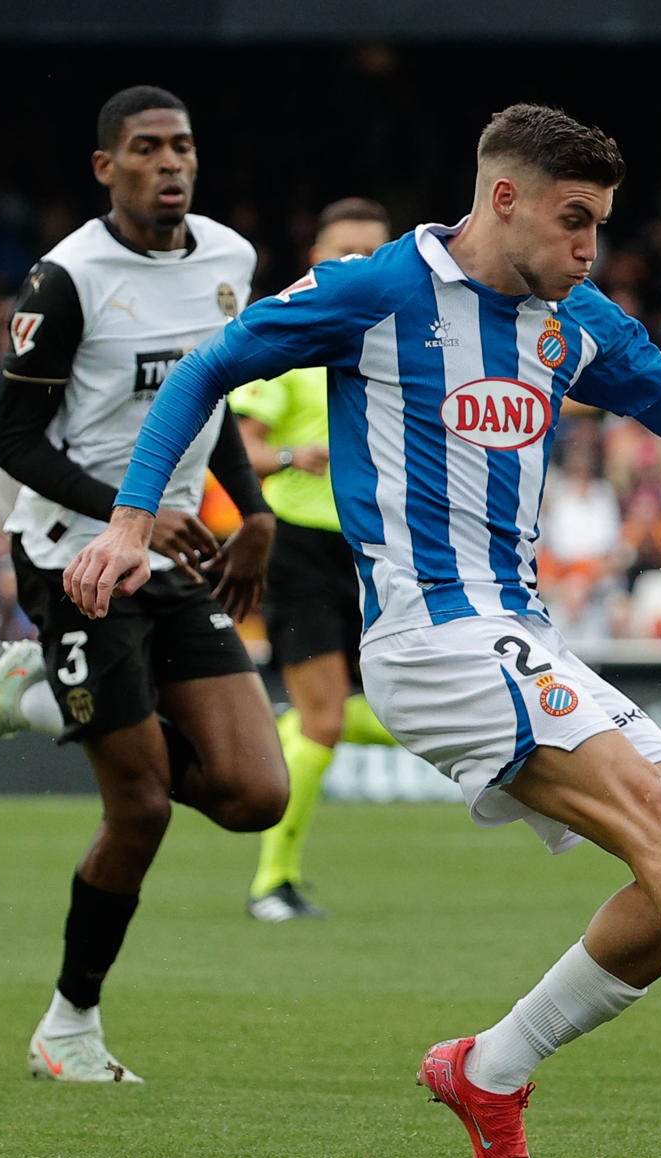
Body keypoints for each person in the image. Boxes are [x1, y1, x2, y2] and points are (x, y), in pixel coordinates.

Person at [64, 103, 661, 1158]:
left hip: (517, 631)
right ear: (501, 199)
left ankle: (491, 1066)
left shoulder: (575, 317)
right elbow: (204, 371)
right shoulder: (377, 290)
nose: (587, 248)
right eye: (573, 222)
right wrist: (131, 521)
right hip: (433, 636)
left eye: (598, 225)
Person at [0, 86, 288, 1082]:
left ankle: (47, 699)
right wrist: (133, 507)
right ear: (107, 168)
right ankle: (69, 1026)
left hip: (172, 555)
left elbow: (210, 398)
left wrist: (250, 511)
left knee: (256, 792)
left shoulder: (229, 260)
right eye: (146, 149)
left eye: (182, 145)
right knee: (142, 807)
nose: (170, 163)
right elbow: (14, 442)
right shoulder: (67, 279)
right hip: (71, 554)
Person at [227, 197, 397, 922]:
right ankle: (272, 883)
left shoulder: (406, 344)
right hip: (300, 547)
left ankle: (282, 733)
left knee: (388, 708)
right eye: (344, 254)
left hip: (379, 548)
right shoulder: (290, 341)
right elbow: (240, 447)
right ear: (316, 262)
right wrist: (298, 454)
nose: (358, 266)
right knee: (328, 718)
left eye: (373, 254)